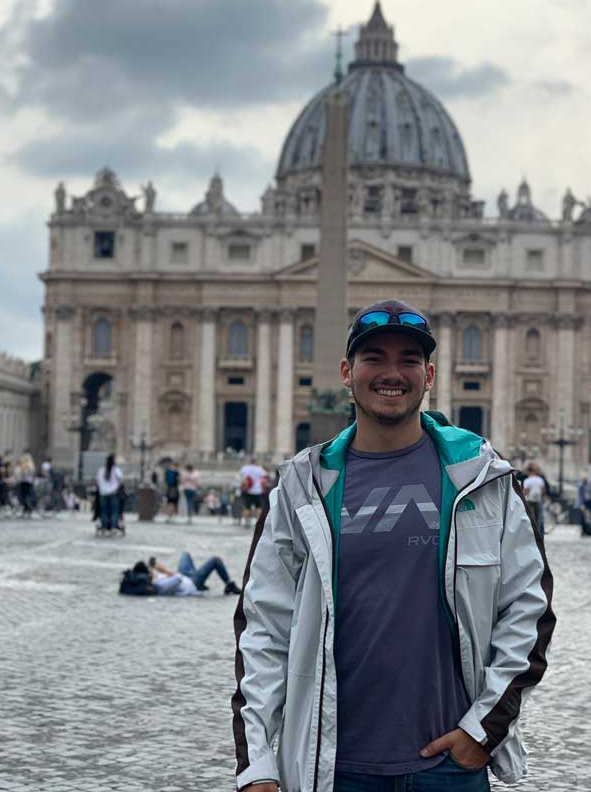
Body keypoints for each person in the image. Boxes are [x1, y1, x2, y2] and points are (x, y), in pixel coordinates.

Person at [233, 299, 555, 792]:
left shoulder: (482, 479)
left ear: (428, 374)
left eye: (408, 360)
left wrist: (481, 731)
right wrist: (256, 764)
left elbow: (528, 610)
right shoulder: (301, 487)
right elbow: (263, 628)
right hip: (332, 767)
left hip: (449, 769)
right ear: (346, 371)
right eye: (374, 358)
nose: (392, 373)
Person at [96, 454, 124, 534]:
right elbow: (121, 481)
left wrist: (102, 488)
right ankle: (113, 527)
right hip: (113, 493)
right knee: (114, 511)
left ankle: (104, 527)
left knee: (104, 511)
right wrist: (117, 488)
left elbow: (97, 481)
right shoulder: (116, 470)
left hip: (103, 493)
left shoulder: (101, 470)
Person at [237, 459, 267, 527]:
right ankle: (258, 522)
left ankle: (246, 522)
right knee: (258, 507)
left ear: (249, 462)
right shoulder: (259, 469)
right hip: (258, 491)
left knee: (247, 507)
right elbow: (264, 478)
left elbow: (240, 477)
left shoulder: (245, 468)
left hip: (248, 490)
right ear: (255, 462)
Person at [522, 464, 546, 536]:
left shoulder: (527, 480)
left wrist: (521, 497)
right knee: (538, 517)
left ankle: (530, 533)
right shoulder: (540, 480)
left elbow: (525, 491)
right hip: (538, 500)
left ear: (529, 472)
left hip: (529, 500)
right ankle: (538, 533)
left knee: (529, 517)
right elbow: (543, 490)